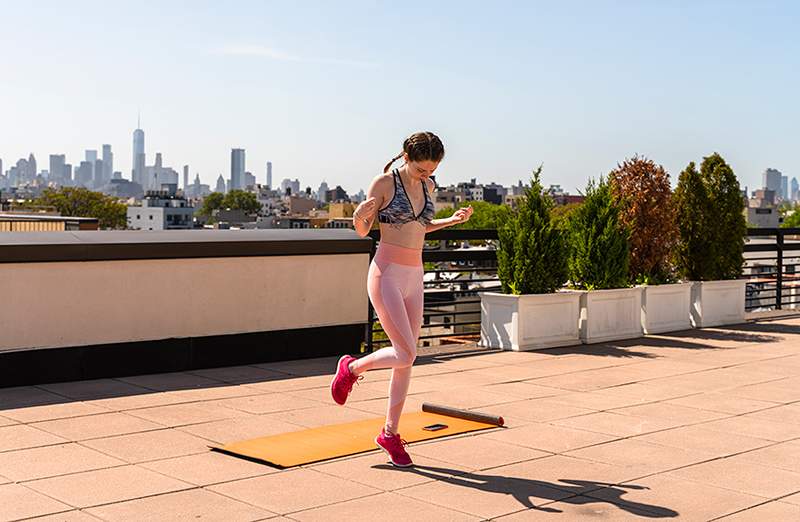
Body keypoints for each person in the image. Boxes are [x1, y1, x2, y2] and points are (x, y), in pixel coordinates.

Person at [330, 131, 473, 467]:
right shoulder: (384, 184)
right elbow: (363, 230)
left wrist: (451, 221)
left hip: (414, 275)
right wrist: (359, 214)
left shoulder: (428, 187)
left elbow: (419, 227)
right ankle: (351, 367)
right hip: (387, 273)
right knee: (406, 351)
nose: (428, 176)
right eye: (422, 169)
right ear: (406, 158)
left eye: (432, 170)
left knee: (406, 359)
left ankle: (390, 434)